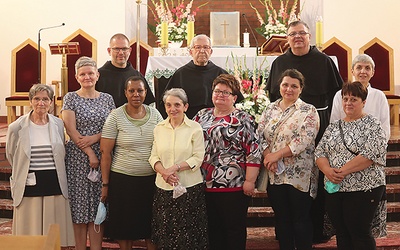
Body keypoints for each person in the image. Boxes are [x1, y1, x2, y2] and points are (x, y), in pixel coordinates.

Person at [266, 20, 343, 242]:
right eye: (292, 34)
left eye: (302, 33)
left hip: (319, 124)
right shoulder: (279, 62)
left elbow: (336, 95)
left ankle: (316, 230)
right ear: (287, 38)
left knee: (317, 178)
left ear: (309, 36)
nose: (297, 37)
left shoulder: (325, 61)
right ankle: (287, 234)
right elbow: (273, 96)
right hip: (286, 128)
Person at [315, 81, 387, 250]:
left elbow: (370, 154)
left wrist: (341, 171)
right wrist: (327, 170)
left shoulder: (372, 124)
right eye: (345, 98)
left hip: (364, 188)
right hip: (335, 188)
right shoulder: (333, 126)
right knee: (342, 233)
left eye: (353, 99)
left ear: (363, 102)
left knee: (359, 232)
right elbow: (319, 153)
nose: (348, 103)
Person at [193, 74, 261, 250]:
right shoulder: (202, 115)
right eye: (217, 91)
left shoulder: (244, 118)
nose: (220, 95)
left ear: (234, 97)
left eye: (226, 92)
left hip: (234, 183)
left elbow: (253, 150)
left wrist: (250, 181)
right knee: (212, 229)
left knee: (233, 229)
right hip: (205, 182)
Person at [6, 84, 75, 247]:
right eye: (36, 99)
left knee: (53, 234)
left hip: (54, 183)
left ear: (51, 102)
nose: (41, 103)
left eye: (45, 99)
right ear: (30, 101)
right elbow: (11, 155)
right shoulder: (16, 127)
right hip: (29, 184)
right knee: (30, 234)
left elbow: (61, 152)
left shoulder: (58, 124)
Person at [258, 69, 320, 250]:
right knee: (282, 218)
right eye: (285, 85)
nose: (289, 89)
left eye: (294, 86)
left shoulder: (309, 110)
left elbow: (304, 140)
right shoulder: (270, 109)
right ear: (280, 86)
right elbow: (259, 135)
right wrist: (268, 156)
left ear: (301, 89)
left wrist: (276, 155)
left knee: (300, 219)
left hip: (299, 174)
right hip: (274, 172)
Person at [100, 76, 163, 250]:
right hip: (123, 180)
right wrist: (106, 184)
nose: (136, 94)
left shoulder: (155, 114)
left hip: (151, 180)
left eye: (140, 90)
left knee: (151, 226)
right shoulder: (116, 116)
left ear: (146, 92)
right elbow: (105, 153)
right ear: (125, 93)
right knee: (124, 228)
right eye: (132, 91)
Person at [62, 56, 115, 250]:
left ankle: (96, 248)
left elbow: (112, 127)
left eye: (90, 73)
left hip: (104, 154)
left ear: (97, 75)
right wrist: (90, 154)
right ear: (77, 77)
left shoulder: (107, 98)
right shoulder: (71, 98)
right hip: (77, 159)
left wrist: (94, 139)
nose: (87, 77)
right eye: (83, 74)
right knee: (79, 207)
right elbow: (71, 130)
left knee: (97, 206)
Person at [149, 88, 208, 249]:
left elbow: (198, 157)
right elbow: (153, 156)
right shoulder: (159, 128)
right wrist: (164, 172)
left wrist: (174, 168)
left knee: (188, 234)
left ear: (185, 107)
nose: (172, 109)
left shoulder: (194, 128)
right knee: (165, 232)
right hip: (164, 187)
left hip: (189, 188)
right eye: (168, 105)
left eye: (177, 104)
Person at [161, 34, 243, 119]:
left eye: (206, 47)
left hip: (217, 120)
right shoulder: (180, 74)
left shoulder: (221, 74)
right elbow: (168, 101)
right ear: (190, 52)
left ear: (211, 52)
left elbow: (236, 100)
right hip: (188, 121)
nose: (202, 51)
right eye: (198, 47)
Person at [330, 54, 390, 141]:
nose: (363, 71)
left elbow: (385, 128)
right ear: (352, 71)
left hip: (372, 146)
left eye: (367, 68)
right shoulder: (340, 95)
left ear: (372, 72)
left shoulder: (379, 96)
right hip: (345, 146)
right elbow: (334, 124)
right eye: (359, 67)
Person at [96, 33, 155, 107]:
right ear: (109, 51)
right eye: (117, 49)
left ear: (129, 50)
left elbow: (146, 105)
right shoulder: (98, 76)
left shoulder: (137, 76)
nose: (121, 53)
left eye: (124, 49)